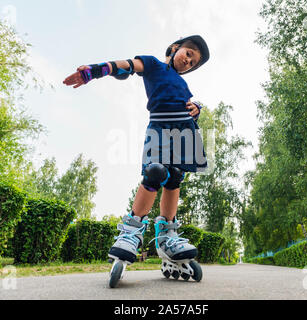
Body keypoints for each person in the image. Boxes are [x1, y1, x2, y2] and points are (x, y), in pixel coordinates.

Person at [63, 35, 209, 283]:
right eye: (188, 54)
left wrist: (197, 106)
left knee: (175, 178)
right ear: (175, 48)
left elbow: (189, 103)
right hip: (160, 129)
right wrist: (96, 71)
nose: (188, 62)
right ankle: (131, 231)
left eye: (193, 63)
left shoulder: (183, 84)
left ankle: (167, 235)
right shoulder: (153, 64)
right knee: (155, 172)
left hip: (183, 132)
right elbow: (128, 66)